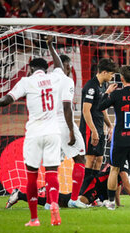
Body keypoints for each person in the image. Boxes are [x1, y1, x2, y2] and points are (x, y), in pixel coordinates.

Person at [0, 36, 66, 226]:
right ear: (46, 70)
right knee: (52, 172)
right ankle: (54, 203)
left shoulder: (26, 81)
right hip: (53, 132)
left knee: (31, 175)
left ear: (31, 69)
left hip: (34, 133)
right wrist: (50, 45)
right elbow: (60, 68)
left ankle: (34, 219)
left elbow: (8, 98)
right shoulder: (54, 78)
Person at [97, 65, 130, 210]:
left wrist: (107, 93)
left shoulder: (116, 95)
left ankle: (111, 202)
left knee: (114, 169)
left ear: (121, 79)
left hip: (120, 138)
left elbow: (100, 107)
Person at [5, 163, 130, 209]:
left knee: (67, 202)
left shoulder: (121, 158)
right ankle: (23, 195)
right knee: (67, 202)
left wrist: (118, 203)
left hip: (97, 187)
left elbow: (116, 185)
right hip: (94, 185)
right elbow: (126, 184)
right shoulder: (124, 162)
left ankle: (29, 194)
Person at [50, 54, 86, 209]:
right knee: (80, 159)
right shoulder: (67, 81)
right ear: (64, 66)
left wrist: (51, 47)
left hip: (50, 125)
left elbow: (57, 62)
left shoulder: (50, 79)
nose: (70, 69)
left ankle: (49, 202)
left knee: (52, 165)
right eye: (69, 65)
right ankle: (73, 199)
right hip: (64, 125)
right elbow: (66, 107)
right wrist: (71, 130)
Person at [79, 58, 117, 195]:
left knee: (99, 160)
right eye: (111, 74)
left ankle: (90, 195)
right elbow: (85, 111)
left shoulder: (102, 87)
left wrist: (109, 125)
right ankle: (81, 195)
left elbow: (102, 109)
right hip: (90, 129)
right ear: (104, 72)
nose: (112, 76)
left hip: (100, 128)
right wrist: (94, 131)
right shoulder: (91, 86)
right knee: (90, 160)